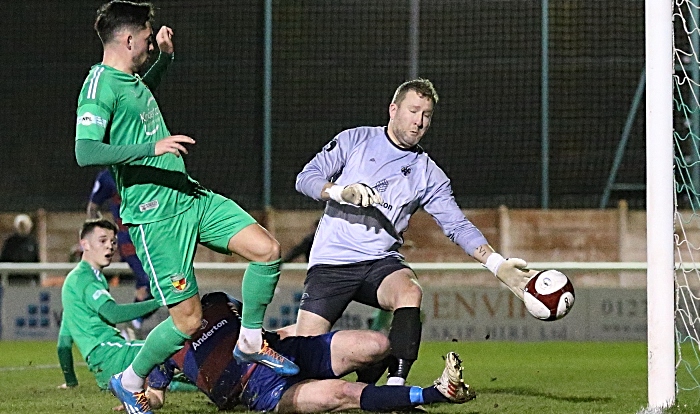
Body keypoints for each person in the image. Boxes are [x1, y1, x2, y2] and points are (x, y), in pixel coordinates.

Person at [73, 2, 296, 412]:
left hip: (189, 196)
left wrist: (166, 60)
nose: (147, 42)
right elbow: (85, 150)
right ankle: (130, 379)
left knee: (267, 250)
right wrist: (150, 148)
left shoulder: (132, 81)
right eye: (145, 35)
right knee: (188, 323)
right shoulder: (99, 84)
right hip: (155, 219)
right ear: (127, 39)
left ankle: (249, 339)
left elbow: (137, 107)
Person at [294, 78, 537, 386]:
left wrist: (496, 264)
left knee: (410, 291)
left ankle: (395, 388)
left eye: (427, 114)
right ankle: (258, 355)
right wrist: (342, 192)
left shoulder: (428, 173)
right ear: (393, 109)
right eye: (413, 110)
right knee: (305, 361)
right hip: (331, 262)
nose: (420, 121)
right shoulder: (355, 139)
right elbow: (305, 178)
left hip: (379, 262)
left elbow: (457, 225)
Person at [139, 290, 474, 413]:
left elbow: (260, 330)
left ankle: (386, 401)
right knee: (343, 394)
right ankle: (436, 393)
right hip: (263, 391)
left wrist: (286, 336)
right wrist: (141, 401)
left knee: (378, 344)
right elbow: (155, 394)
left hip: (288, 350)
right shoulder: (165, 345)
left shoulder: (218, 302)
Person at [57, 219, 162, 390]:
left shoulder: (78, 279)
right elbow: (112, 313)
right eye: (102, 240)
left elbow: (63, 343)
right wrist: (161, 301)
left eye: (113, 242)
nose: (110, 246)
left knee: (173, 370)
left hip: (107, 363)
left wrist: (71, 383)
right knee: (171, 353)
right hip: (112, 354)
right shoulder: (84, 279)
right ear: (85, 244)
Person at [87, 168, 154, 333]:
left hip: (154, 238)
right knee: (149, 282)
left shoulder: (148, 168)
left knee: (162, 284)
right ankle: (132, 325)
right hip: (129, 241)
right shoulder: (107, 177)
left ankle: (130, 325)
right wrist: (101, 236)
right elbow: (92, 209)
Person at [0, 214, 40, 283]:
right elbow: (3, 260)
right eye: (20, 225)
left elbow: (36, 261)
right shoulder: (10, 242)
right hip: (12, 280)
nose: (22, 227)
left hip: (28, 280)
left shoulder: (32, 242)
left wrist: (37, 280)